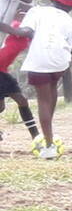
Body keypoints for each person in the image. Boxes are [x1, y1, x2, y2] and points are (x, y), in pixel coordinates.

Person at [16, 0, 72, 159]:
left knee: (44, 101)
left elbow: (26, 32)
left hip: (40, 61)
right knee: (51, 95)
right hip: (60, 63)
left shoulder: (37, 12)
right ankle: (49, 133)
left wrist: (9, 26)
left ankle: (49, 145)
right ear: (71, 7)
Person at [0, 9, 37, 142]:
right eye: (23, 13)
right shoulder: (17, 26)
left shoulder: (28, 30)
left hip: (3, 70)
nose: (25, 15)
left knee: (20, 102)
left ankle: (36, 136)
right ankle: (36, 135)